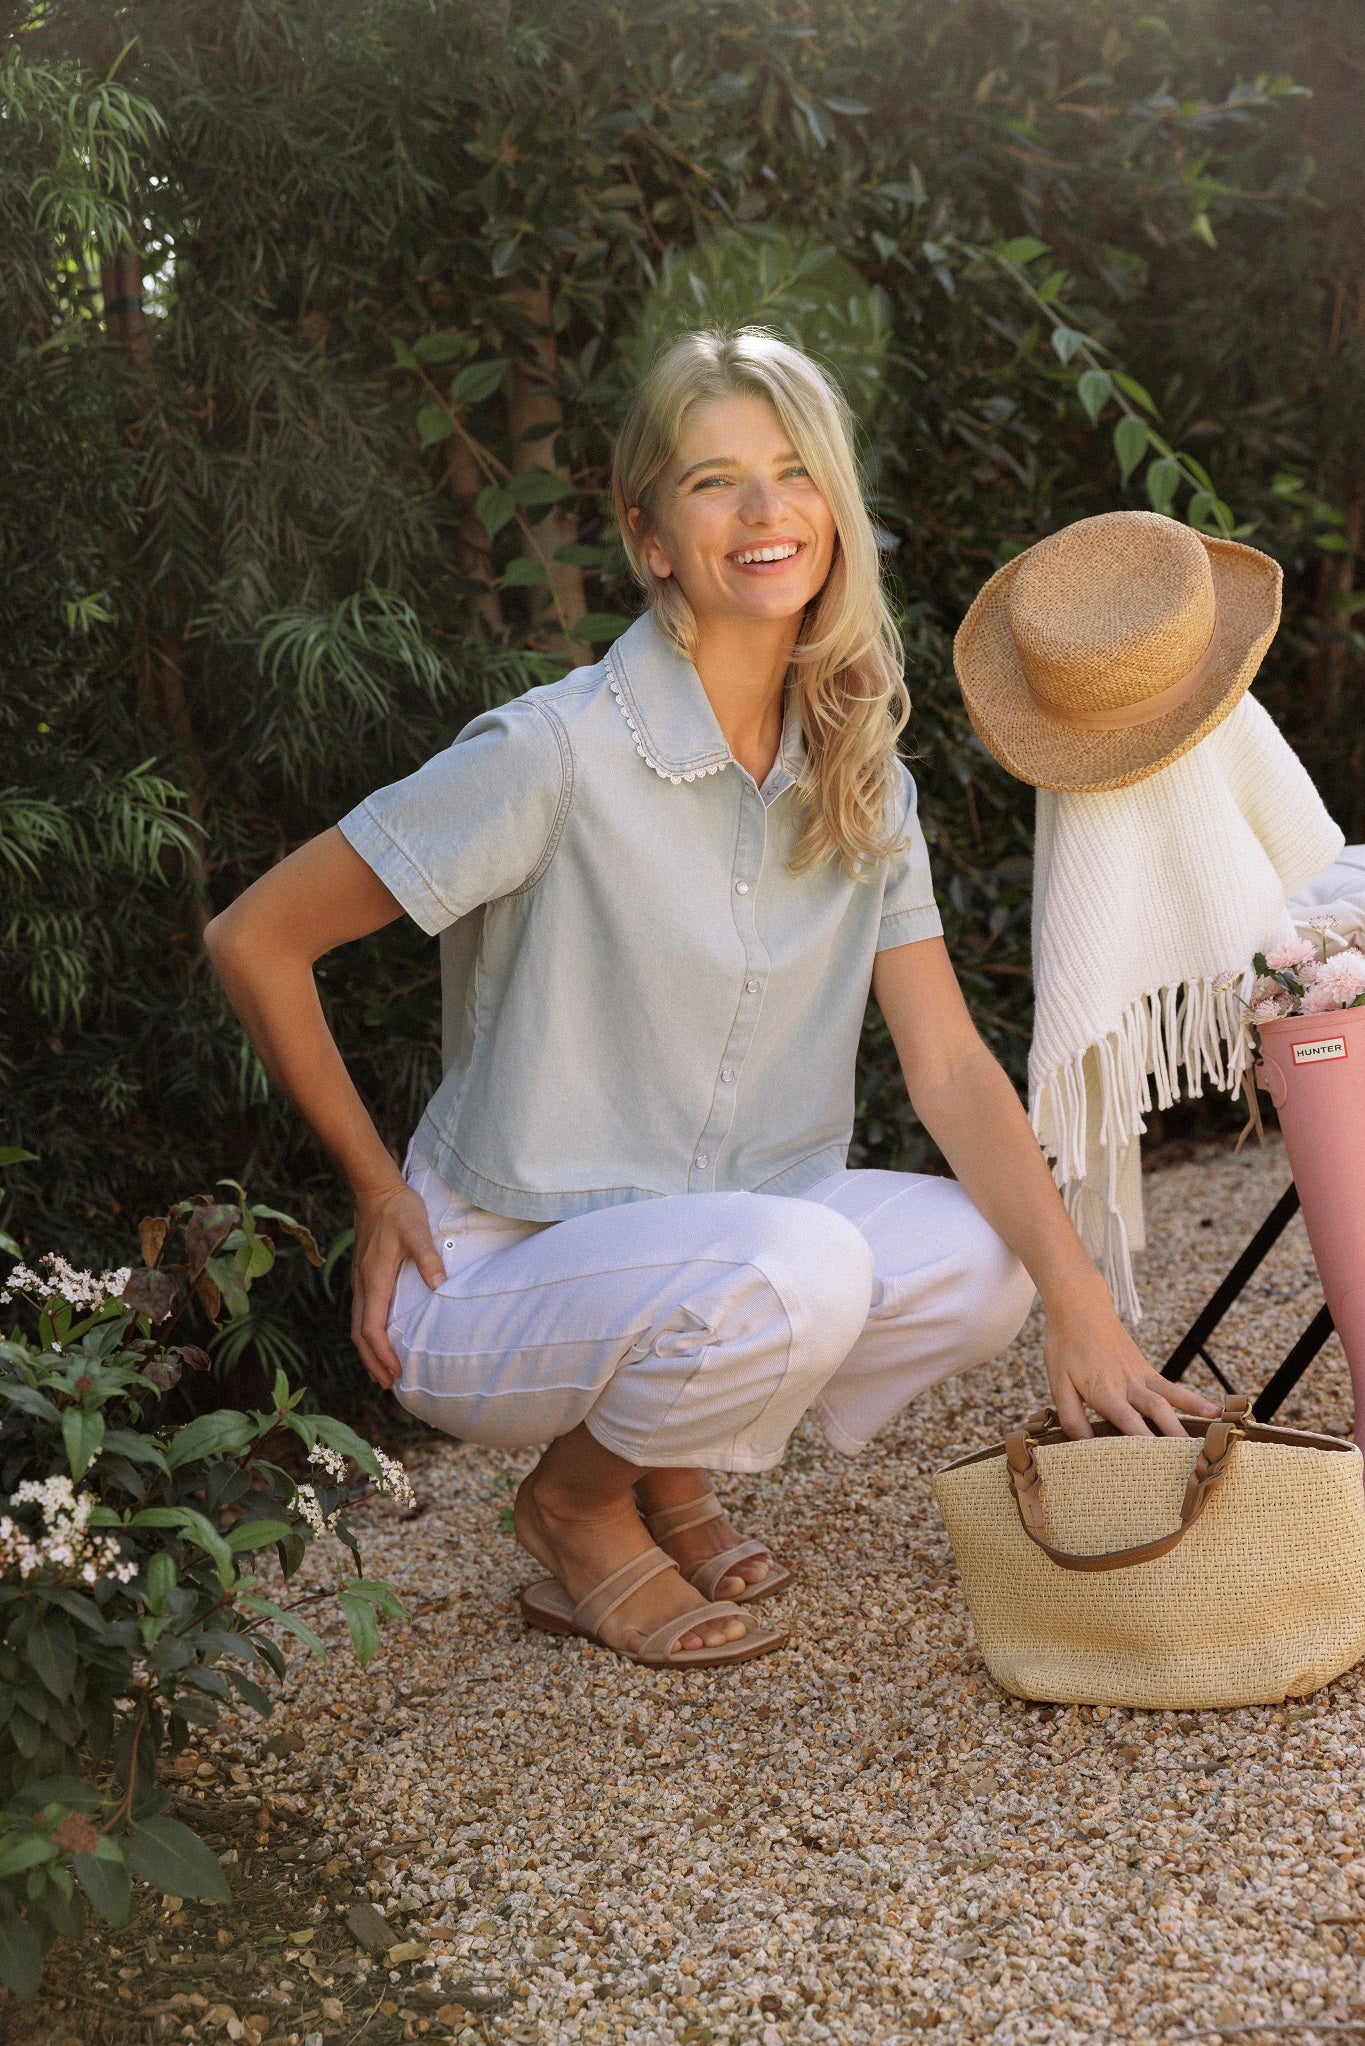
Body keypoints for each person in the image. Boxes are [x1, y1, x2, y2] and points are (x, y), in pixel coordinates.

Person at [205, 328, 1219, 1672]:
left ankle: (659, 1462)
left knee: (985, 1265)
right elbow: (254, 935)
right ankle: (572, 1504)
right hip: (496, 1267)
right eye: (713, 482)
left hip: (716, 1241)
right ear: (648, 536)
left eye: (795, 472)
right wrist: (372, 1185)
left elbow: (946, 1066)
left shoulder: (859, 772)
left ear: (834, 511)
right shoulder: (552, 752)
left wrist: (1076, 1295)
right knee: (790, 1268)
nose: (764, 512)